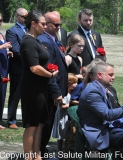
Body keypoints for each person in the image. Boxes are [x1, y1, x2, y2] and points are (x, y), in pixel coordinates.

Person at [78, 62, 123, 160]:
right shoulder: (92, 92)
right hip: (98, 131)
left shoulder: (99, 88)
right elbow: (108, 115)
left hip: (104, 127)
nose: (114, 77)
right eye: (110, 75)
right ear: (100, 75)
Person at [20, 10, 58, 160]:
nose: (45, 26)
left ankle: (37, 156)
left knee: (40, 123)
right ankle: (29, 157)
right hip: (32, 89)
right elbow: (34, 68)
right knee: (32, 125)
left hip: (40, 88)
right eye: (43, 23)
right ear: (33, 24)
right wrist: (50, 74)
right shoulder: (28, 41)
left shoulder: (35, 40)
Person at [37, 11, 68, 155]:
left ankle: (41, 150)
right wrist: (56, 92)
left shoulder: (54, 40)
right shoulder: (45, 41)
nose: (58, 27)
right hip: (49, 92)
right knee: (46, 123)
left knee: (48, 123)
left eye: (60, 24)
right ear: (47, 24)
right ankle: (40, 151)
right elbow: (49, 70)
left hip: (56, 90)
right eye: (55, 25)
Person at [6, 7, 28, 129]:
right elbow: (15, 49)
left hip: (29, 68)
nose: (25, 19)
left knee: (27, 95)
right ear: (17, 17)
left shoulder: (30, 29)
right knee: (15, 95)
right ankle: (11, 120)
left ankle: (26, 119)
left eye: (26, 16)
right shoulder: (12, 31)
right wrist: (31, 57)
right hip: (18, 68)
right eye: (23, 17)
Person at [51, 73, 78, 153]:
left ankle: (66, 151)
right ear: (68, 83)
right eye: (74, 83)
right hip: (63, 116)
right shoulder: (64, 93)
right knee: (61, 135)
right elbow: (62, 106)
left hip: (68, 116)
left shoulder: (72, 93)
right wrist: (71, 104)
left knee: (68, 135)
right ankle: (59, 151)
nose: (76, 85)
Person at [0, 13, 13, 130]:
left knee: (2, 94)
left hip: (4, 68)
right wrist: (2, 47)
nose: (0, 22)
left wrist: (6, 52)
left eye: (1, 20)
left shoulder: (1, 34)